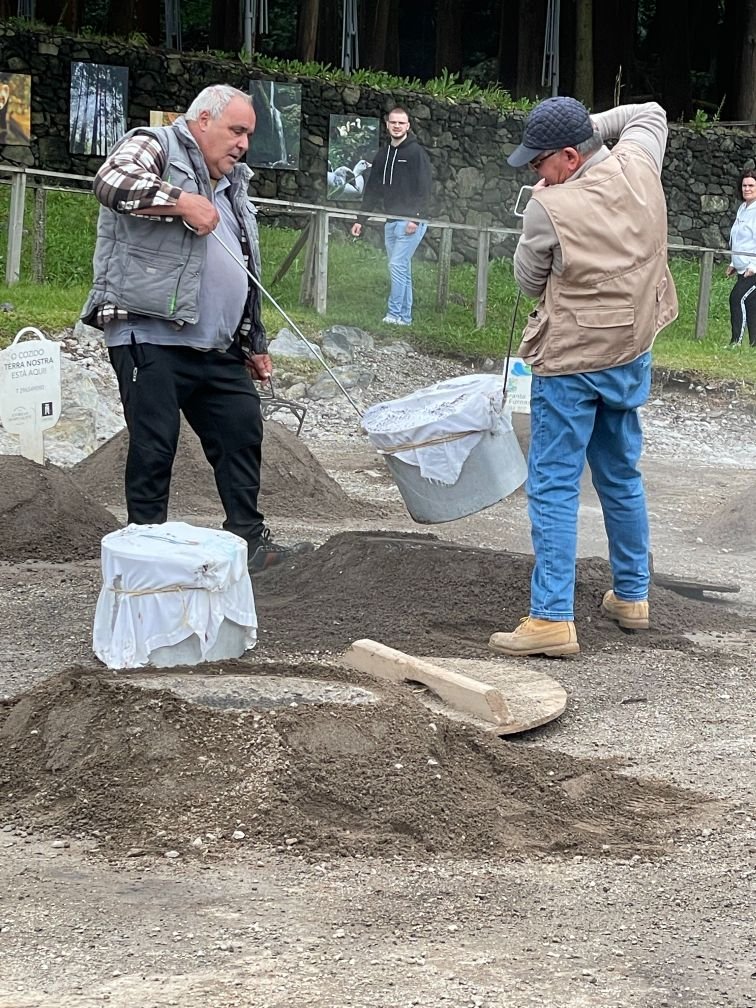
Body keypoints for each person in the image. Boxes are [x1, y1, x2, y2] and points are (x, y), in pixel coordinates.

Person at [81, 84, 313, 573]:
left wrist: (253, 340)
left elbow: (244, 268)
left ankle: (248, 543)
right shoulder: (157, 144)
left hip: (218, 345)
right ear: (202, 121)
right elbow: (111, 179)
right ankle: (144, 553)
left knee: (242, 429)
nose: (243, 143)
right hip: (150, 333)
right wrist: (183, 201)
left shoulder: (235, 184)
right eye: (237, 130)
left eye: (248, 134)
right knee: (155, 445)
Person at [488, 98, 678, 658]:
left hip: (572, 362)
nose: (533, 174)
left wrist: (544, 204)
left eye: (539, 163)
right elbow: (651, 113)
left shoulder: (549, 208)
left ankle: (550, 618)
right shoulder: (641, 164)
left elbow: (528, 282)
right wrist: (586, 129)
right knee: (620, 475)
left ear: (569, 158)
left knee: (553, 486)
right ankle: (632, 595)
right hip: (631, 349)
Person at [350, 107, 432, 326]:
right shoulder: (383, 154)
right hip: (391, 220)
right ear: (387, 125)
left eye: (401, 123)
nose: (397, 126)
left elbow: (425, 188)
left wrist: (416, 218)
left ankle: (394, 314)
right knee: (400, 267)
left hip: (410, 220)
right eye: (393, 122)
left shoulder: (416, 153)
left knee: (396, 265)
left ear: (408, 126)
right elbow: (372, 190)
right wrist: (361, 220)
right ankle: (404, 317)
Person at [726, 171, 756, 347]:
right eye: (744, 185)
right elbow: (738, 239)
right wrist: (732, 263)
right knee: (752, 305)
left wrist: (754, 265)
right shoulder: (743, 208)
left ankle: (735, 342)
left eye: (751, 185)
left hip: (752, 269)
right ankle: (754, 345)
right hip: (742, 268)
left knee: (737, 298)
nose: (747, 189)